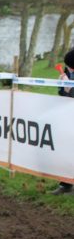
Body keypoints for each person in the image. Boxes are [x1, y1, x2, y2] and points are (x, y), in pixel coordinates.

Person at [51, 48, 74, 196]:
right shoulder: (67, 68)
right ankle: (65, 184)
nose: (69, 69)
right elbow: (61, 92)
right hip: (68, 113)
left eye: (72, 67)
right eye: (68, 67)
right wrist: (63, 87)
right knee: (66, 147)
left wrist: (70, 89)